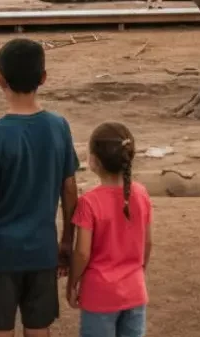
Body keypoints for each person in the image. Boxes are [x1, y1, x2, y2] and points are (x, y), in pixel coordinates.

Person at [0, 38, 79, 337]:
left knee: (0, 328)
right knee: (38, 326)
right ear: (43, 78)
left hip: (0, 254)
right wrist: (68, 239)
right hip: (42, 251)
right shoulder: (59, 127)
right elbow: (70, 190)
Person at [67, 122, 152, 337]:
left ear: (93, 160)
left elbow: (83, 252)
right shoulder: (141, 194)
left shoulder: (88, 202)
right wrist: (139, 272)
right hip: (135, 290)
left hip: (100, 295)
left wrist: (73, 282)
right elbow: (148, 243)